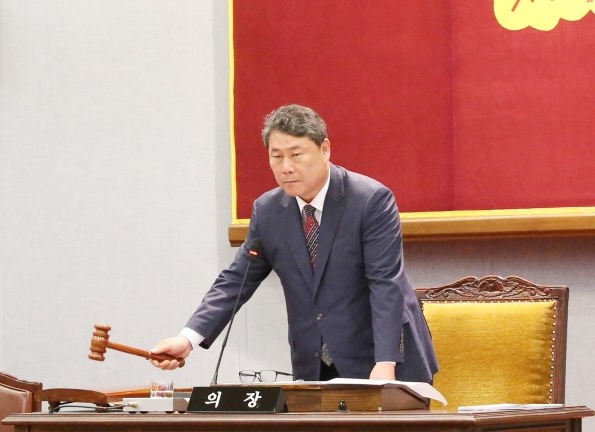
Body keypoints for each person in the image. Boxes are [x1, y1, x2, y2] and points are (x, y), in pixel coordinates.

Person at [150, 104, 438, 382]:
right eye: (276, 156)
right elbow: (236, 280)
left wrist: (385, 363)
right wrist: (187, 338)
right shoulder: (268, 211)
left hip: (383, 361)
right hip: (315, 367)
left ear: (324, 149)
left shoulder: (370, 200)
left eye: (296, 155)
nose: (286, 167)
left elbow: (385, 283)